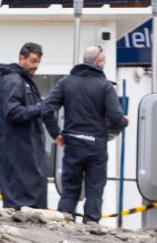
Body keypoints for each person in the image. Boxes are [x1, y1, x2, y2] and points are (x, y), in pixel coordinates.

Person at [40, 44, 128, 223]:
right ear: (97, 62)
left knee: (70, 189)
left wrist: (56, 134)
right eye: (104, 61)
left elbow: (46, 109)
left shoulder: (66, 82)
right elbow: (116, 118)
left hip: (72, 143)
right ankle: (91, 227)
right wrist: (125, 121)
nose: (104, 64)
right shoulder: (105, 87)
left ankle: (62, 226)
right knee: (95, 189)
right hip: (96, 146)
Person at [0, 42, 59, 209]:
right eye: (33, 61)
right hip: (18, 149)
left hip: (25, 149)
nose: (35, 66)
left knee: (31, 192)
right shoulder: (14, 81)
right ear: (22, 58)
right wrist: (40, 108)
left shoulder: (23, 81)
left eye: (38, 62)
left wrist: (56, 133)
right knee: (22, 196)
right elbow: (12, 112)